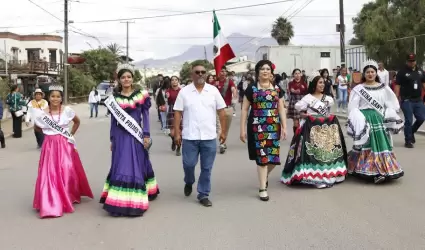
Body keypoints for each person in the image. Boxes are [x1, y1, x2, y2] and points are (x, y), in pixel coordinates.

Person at [100, 63, 159, 217]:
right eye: (123, 77)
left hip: (136, 136)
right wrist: (112, 139)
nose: (126, 79)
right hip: (120, 136)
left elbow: (145, 117)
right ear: (119, 80)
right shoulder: (114, 99)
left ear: (132, 79)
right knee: (120, 164)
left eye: (128, 77)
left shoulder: (141, 95)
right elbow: (113, 121)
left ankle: (135, 199)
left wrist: (146, 135)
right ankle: (117, 200)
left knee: (136, 163)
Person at [33, 85, 93, 218]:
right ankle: (50, 199)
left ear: (61, 98)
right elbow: (36, 127)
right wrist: (47, 133)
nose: (55, 99)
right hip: (49, 145)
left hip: (64, 143)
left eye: (58, 96)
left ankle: (68, 195)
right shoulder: (43, 113)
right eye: (52, 96)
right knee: (49, 172)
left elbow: (77, 122)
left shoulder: (67, 111)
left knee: (66, 168)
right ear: (48, 97)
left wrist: (70, 135)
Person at [173, 62, 227, 207]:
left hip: (209, 137)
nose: (201, 74)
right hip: (190, 136)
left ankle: (203, 194)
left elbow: (222, 111)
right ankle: (189, 181)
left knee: (206, 168)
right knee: (189, 164)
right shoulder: (184, 92)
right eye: (197, 72)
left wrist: (223, 131)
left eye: (203, 72)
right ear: (192, 74)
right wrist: (176, 132)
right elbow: (178, 112)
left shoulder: (213, 91)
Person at [282, 73, 348, 188]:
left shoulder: (328, 99)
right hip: (310, 127)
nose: (322, 85)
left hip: (325, 128)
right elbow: (299, 109)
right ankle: (314, 176)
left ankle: (328, 173)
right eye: (320, 83)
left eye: (323, 82)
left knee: (326, 151)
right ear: (314, 84)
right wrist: (303, 115)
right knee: (313, 152)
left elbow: (327, 112)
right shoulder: (307, 98)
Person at [347, 60, 404, 184]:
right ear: (364, 74)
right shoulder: (358, 89)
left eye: (372, 71)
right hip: (365, 120)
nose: (370, 74)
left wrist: (390, 114)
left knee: (381, 144)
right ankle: (368, 170)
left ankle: (382, 170)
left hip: (379, 119)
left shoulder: (383, 88)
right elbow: (353, 107)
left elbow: (391, 103)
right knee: (368, 144)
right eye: (367, 72)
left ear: (376, 73)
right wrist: (358, 119)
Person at [240, 60, 287, 201]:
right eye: (262, 69)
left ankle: (264, 175)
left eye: (268, 69)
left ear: (271, 72)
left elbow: (281, 108)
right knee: (262, 158)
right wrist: (242, 130)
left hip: (274, 126)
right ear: (258, 72)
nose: (265, 71)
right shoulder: (251, 88)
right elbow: (244, 109)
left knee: (273, 158)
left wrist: (284, 127)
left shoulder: (277, 88)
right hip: (257, 128)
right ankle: (262, 188)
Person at [394, 53, 425, 148]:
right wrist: (396, 98)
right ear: (407, 61)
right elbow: (397, 85)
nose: (412, 63)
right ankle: (408, 140)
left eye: (413, 61)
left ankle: (411, 132)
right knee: (409, 120)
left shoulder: (420, 71)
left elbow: (423, 82)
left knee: (421, 118)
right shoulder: (402, 72)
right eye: (410, 61)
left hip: (418, 100)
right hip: (407, 100)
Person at [216, 66, 237, 154]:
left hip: (228, 108)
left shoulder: (229, 82)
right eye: (221, 71)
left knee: (226, 128)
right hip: (217, 109)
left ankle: (223, 141)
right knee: (219, 127)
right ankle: (221, 143)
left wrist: (234, 95)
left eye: (224, 71)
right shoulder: (214, 83)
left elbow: (233, 89)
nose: (223, 73)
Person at [287, 69, 308, 134]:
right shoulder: (290, 83)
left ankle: (301, 136)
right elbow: (291, 90)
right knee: (296, 122)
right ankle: (296, 137)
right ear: (293, 75)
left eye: (299, 73)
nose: (297, 75)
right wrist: (295, 91)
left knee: (302, 121)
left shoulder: (304, 83)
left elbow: (306, 93)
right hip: (294, 102)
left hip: (303, 102)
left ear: (301, 74)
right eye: (296, 73)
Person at [166, 76, 182, 156]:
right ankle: (173, 140)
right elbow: (167, 102)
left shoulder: (181, 91)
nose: (174, 81)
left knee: (179, 130)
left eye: (176, 80)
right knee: (172, 132)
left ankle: (178, 148)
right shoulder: (168, 91)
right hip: (172, 110)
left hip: (180, 110)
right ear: (170, 82)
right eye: (172, 80)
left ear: (178, 81)